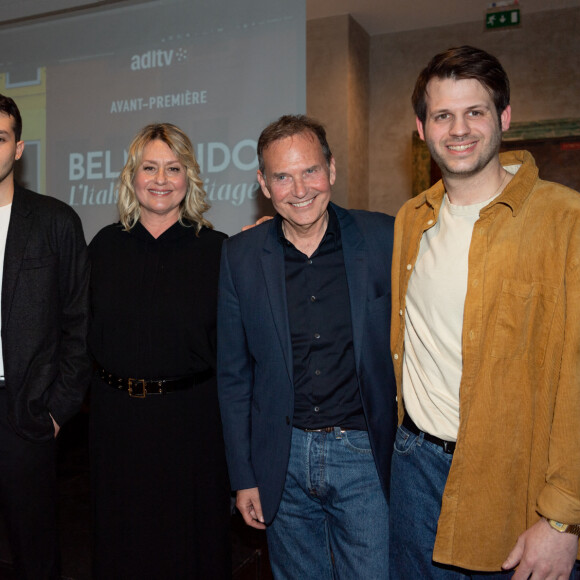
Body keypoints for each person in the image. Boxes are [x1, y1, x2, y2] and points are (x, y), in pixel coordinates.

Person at [390, 45, 580, 579]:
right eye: (442, 115)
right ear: (422, 128)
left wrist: (564, 521)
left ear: (504, 117)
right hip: (414, 469)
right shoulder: (411, 219)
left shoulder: (566, 221)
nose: (459, 129)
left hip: (513, 481)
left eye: (475, 111)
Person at [217, 114, 397, 579]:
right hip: (283, 460)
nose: (299, 189)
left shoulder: (384, 239)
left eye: (310, 170)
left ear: (331, 169)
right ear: (263, 183)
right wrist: (244, 477)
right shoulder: (240, 256)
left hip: (364, 458)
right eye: (282, 176)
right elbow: (235, 376)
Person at [88, 123, 231, 579]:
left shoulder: (219, 251)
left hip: (192, 426)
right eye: (149, 167)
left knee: (189, 550)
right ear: (133, 177)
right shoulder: (103, 247)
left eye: (174, 168)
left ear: (189, 177)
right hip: (115, 423)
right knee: (120, 546)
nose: (161, 179)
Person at [0, 94, 90, 579]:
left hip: (26, 411)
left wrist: (59, 408)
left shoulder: (55, 221)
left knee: (35, 552)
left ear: (18, 148)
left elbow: (79, 321)